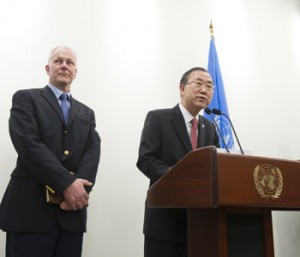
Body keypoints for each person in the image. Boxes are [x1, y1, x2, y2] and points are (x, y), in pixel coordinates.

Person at [0, 46, 101, 257]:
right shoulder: (26, 99)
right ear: (48, 68)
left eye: (70, 62)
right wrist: (67, 185)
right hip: (29, 211)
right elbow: (28, 145)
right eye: (58, 61)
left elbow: (92, 152)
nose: (64, 65)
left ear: (75, 72)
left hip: (71, 213)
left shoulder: (87, 113)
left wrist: (79, 192)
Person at [137, 67, 220, 257]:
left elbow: (214, 168)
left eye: (209, 86)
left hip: (200, 223)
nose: (204, 90)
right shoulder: (158, 118)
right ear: (182, 89)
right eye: (198, 83)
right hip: (165, 222)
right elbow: (145, 160)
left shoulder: (210, 128)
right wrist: (180, 180)